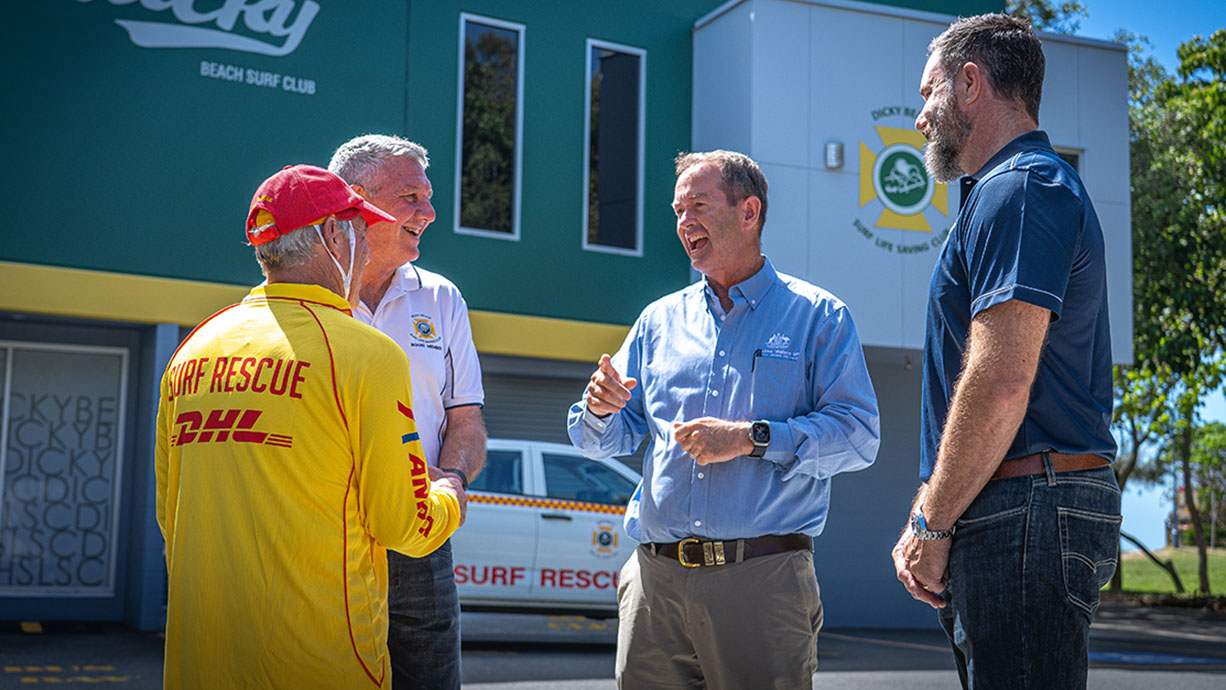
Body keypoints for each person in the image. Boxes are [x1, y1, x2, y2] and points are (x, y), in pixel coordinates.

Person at [568, 150, 880, 689]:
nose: (683, 222)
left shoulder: (818, 316)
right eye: (677, 210)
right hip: (655, 581)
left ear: (749, 212)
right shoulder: (658, 320)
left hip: (762, 580)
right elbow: (608, 436)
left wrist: (752, 439)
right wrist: (598, 409)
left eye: (698, 205)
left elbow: (859, 435)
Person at [155, 164, 466, 689]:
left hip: (200, 663)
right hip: (323, 661)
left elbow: (171, 515)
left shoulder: (194, 348)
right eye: (360, 233)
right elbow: (404, 527)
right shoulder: (367, 355)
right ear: (332, 236)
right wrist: (450, 491)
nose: (365, 250)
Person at [891, 14, 1120, 690]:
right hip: (1020, 503)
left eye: (926, 93)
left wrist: (931, 524)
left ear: (970, 83)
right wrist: (934, 504)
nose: (918, 118)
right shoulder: (1005, 193)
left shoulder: (1019, 188)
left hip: (1026, 507)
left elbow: (1001, 381)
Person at [329, 134, 486, 690]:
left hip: (420, 539)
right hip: (326, 536)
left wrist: (456, 477)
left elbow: (466, 421)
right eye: (411, 196)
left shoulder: (443, 299)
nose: (430, 211)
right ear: (354, 198)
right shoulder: (306, 294)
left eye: (429, 195)